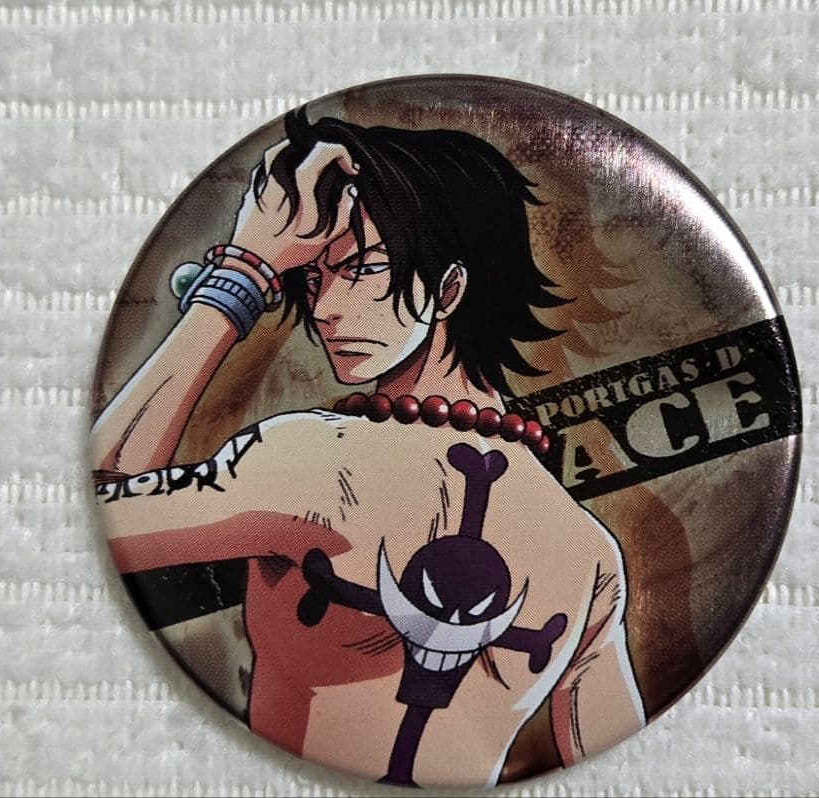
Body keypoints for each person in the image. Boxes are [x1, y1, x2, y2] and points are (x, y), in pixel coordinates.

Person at [91, 109, 646, 787]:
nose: (325, 308)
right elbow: (622, 771)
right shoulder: (589, 554)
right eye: (312, 278)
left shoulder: (310, 464)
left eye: (362, 269)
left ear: (449, 288)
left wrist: (245, 271)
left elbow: (97, 504)